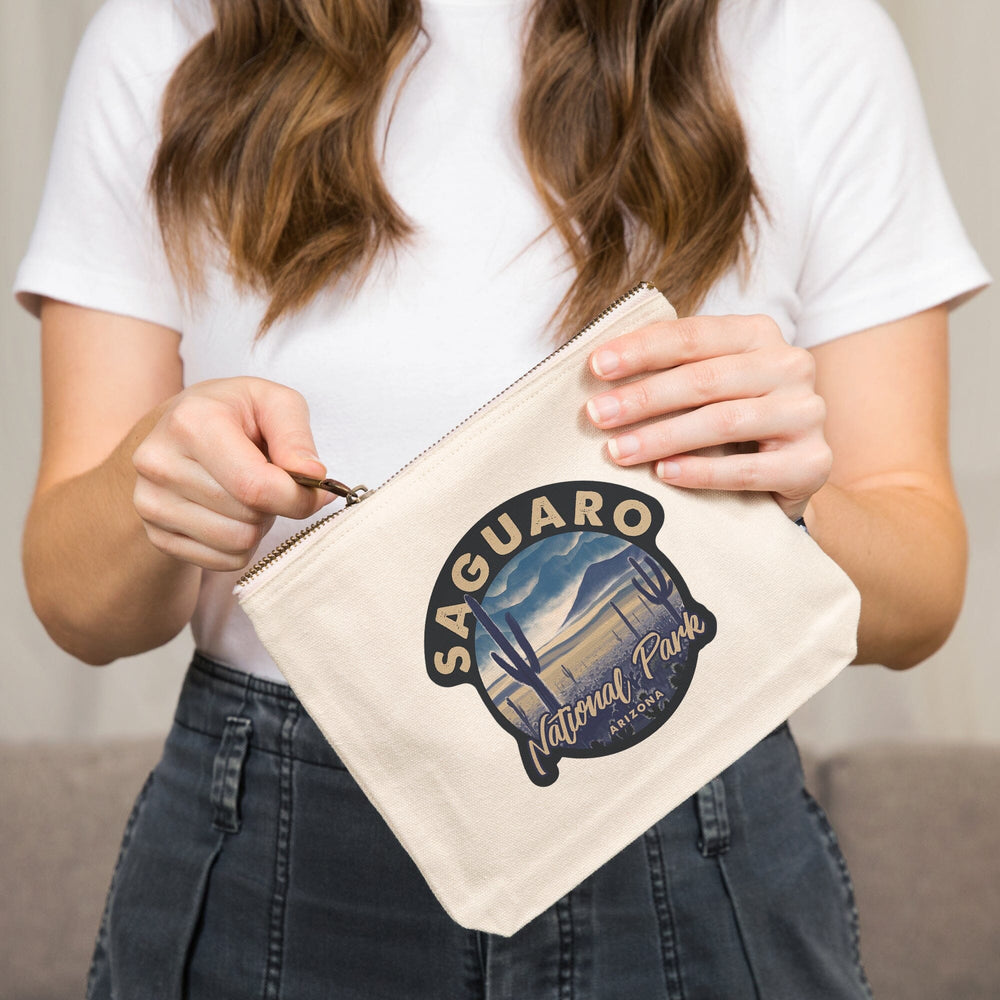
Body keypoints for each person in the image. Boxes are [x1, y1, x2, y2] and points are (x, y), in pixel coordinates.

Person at [15, 0, 988, 996]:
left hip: (690, 794)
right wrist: (158, 484)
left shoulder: (806, 36)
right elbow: (78, 606)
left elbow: (918, 598)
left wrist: (788, 504)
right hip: (285, 831)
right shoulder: (169, 33)